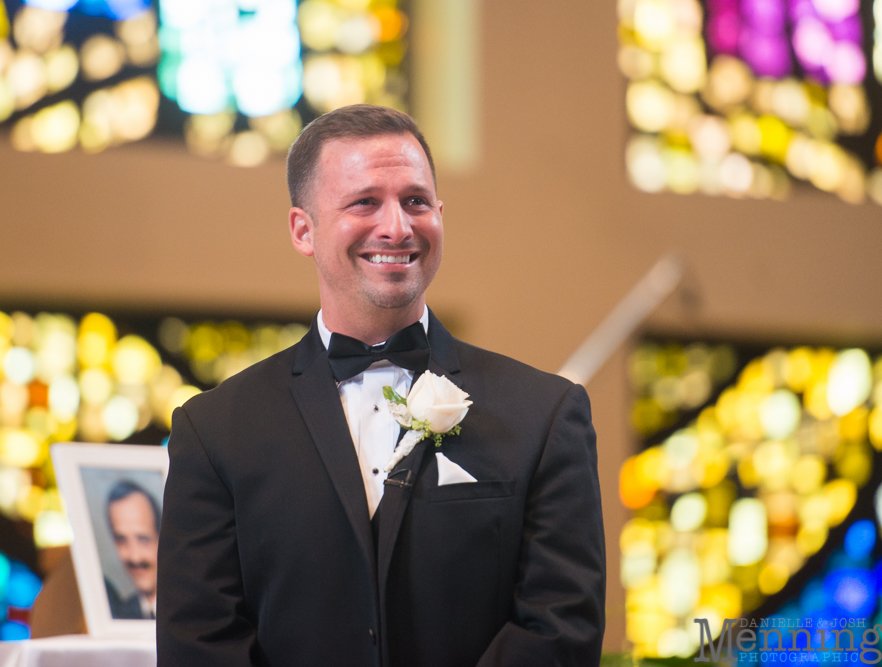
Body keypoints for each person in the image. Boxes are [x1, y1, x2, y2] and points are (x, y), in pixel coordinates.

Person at [157, 104, 605, 666]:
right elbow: (199, 641)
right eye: (365, 202)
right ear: (303, 229)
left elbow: (561, 628)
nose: (397, 226)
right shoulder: (216, 430)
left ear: (441, 215)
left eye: (415, 201)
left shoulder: (544, 414)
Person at [104, 479, 159, 620]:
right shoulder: (119, 616)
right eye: (122, 541)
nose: (135, 557)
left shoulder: (197, 611)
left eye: (143, 539)